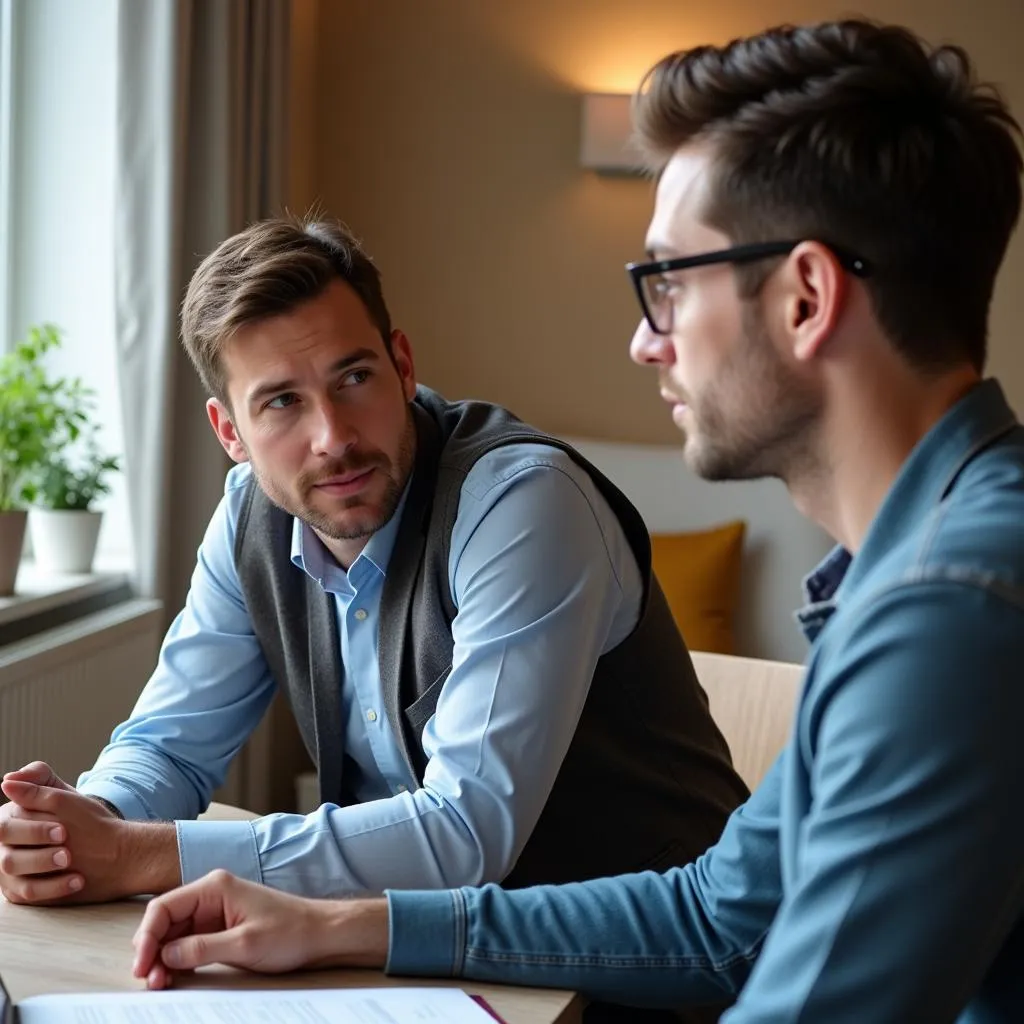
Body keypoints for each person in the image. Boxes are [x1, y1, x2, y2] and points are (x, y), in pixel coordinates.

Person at [128, 18, 1024, 1022]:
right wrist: (344, 923)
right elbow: (719, 920)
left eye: (667, 282)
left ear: (806, 297)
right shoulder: (923, 570)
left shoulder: (951, 608)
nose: (645, 341)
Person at [0, 218, 746, 910]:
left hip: (652, 962)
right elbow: (168, 744)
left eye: (353, 377)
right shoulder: (249, 519)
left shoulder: (523, 503)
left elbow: (465, 834)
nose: (333, 437)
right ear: (231, 431)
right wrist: (85, 825)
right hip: (436, 951)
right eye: (282, 403)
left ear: (402, 365)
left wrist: (138, 855)